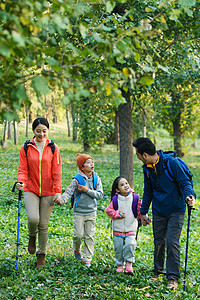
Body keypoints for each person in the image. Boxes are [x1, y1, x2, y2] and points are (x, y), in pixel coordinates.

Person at [132, 137, 195, 289]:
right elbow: (148, 191)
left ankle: (172, 277)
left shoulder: (171, 163)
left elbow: (185, 182)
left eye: (138, 155)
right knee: (159, 242)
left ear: (145, 155)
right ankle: (158, 271)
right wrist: (143, 212)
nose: (138, 158)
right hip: (159, 210)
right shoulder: (147, 168)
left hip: (176, 209)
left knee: (172, 242)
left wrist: (189, 196)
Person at [16, 117, 62, 268]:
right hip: (31, 188)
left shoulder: (53, 148)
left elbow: (57, 172)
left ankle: (41, 256)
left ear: (48, 131)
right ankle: (31, 235)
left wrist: (57, 191)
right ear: (33, 131)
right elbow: (23, 168)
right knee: (33, 219)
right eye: (38, 131)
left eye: (44, 131)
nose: (41, 134)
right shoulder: (26, 147)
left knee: (43, 224)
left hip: (49, 191)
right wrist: (21, 181)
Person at [54, 153, 103, 267]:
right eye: (88, 162)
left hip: (91, 212)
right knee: (78, 235)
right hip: (79, 213)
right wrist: (61, 200)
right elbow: (69, 192)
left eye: (92, 162)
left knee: (89, 236)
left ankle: (87, 259)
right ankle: (77, 249)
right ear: (82, 166)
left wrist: (87, 190)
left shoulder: (96, 179)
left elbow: (100, 195)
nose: (92, 164)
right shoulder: (77, 180)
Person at [105, 176, 148, 273]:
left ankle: (129, 263)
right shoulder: (115, 200)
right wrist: (117, 214)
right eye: (122, 185)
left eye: (126, 183)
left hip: (131, 227)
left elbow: (140, 211)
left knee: (130, 244)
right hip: (117, 229)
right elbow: (108, 210)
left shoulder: (135, 198)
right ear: (117, 189)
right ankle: (120, 264)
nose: (125, 186)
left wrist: (145, 218)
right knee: (118, 248)